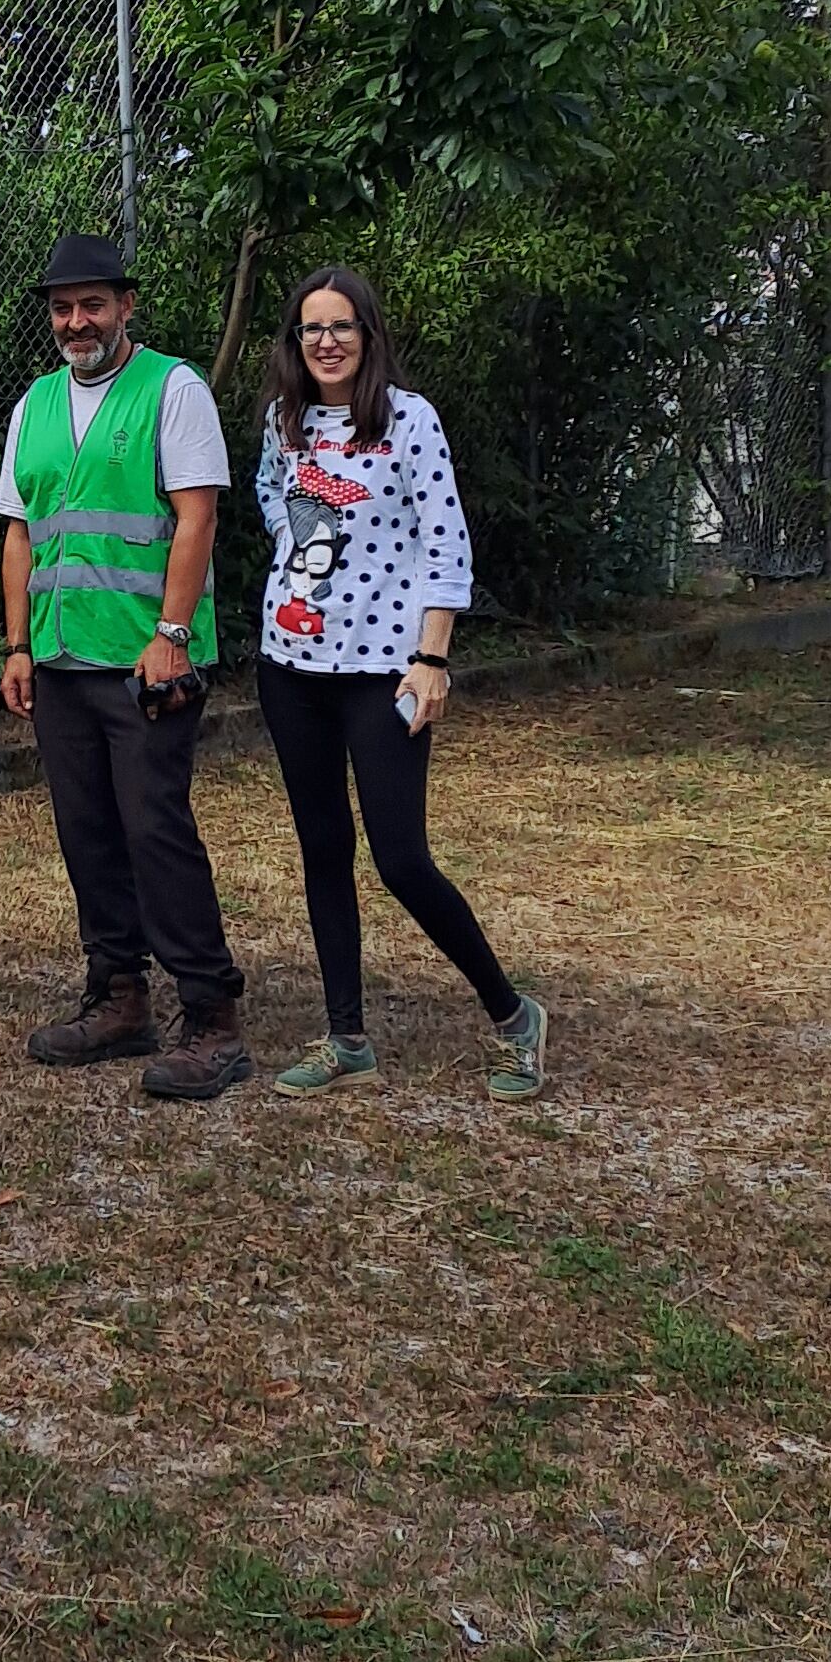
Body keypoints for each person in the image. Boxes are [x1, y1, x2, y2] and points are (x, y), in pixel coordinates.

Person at [249, 265, 548, 1102]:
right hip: (291, 665)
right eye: (311, 329)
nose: (326, 342)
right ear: (295, 342)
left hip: (385, 671)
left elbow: (449, 544)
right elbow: (275, 495)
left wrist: (433, 658)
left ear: (369, 337)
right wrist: (298, 542)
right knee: (322, 850)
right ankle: (346, 1036)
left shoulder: (409, 422)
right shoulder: (287, 422)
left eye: (341, 327)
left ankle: (513, 1015)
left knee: (401, 859)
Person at [0, 232, 249, 1101]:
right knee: (88, 832)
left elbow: (196, 518)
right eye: (64, 308)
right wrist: (19, 644)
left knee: (155, 831)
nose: (77, 321)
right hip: (62, 657)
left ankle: (211, 1013)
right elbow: (21, 532)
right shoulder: (32, 404)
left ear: (125, 307)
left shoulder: (172, 389)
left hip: (147, 661)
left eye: (93, 305)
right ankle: (119, 996)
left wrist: (171, 634)